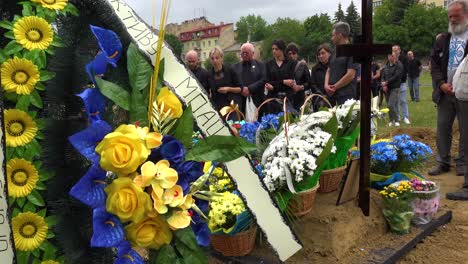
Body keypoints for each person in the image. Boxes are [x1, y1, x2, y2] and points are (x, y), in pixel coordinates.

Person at [430, 0, 467, 200]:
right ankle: (443, 161)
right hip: (445, 92)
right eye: (450, 16)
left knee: (466, 130)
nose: (452, 20)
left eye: (456, 16)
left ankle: (462, 164)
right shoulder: (443, 39)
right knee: (443, 127)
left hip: (466, 94)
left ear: (466, 15)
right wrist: (441, 83)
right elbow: (434, 63)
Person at [325, 22, 357, 106]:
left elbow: (351, 75)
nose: (332, 38)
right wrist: (326, 85)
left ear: (339, 35)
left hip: (346, 96)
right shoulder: (335, 51)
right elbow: (329, 69)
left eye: (333, 35)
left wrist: (334, 87)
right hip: (332, 95)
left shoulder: (352, 51)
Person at [208, 47, 243, 117]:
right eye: (212, 58)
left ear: (222, 58)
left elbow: (240, 89)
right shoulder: (209, 74)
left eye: (217, 58)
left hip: (232, 105)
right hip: (218, 107)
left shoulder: (230, 70)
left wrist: (228, 89)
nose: (215, 60)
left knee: (233, 126)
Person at [264, 39, 297, 113]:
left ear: (282, 50)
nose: (274, 51)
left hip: (287, 97)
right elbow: (268, 82)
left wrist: (274, 86)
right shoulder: (268, 64)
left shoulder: (291, 63)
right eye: (272, 49)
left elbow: (290, 83)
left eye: (276, 49)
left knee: (287, 120)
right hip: (272, 98)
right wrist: (283, 81)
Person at [232, 43, 266, 113]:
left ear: (252, 53)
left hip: (257, 100)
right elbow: (232, 81)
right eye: (242, 53)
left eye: (246, 53)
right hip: (240, 101)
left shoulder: (261, 66)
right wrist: (242, 89)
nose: (244, 55)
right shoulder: (234, 67)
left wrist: (250, 89)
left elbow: (263, 79)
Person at [286, 42, 311, 111]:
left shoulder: (302, 66)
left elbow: (309, 82)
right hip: (287, 98)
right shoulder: (284, 67)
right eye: (289, 54)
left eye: (294, 53)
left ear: (297, 54)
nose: (291, 56)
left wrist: (300, 87)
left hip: (299, 98)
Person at [381, 52, 403, 127]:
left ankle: (396, 120)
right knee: (388, 105)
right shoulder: (386, 66)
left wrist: (386, 82)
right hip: (386, 88)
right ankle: (391, 120)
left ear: (395, 57)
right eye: (389, 56)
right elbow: (383, 76)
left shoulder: (398, 66)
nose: (390, 57)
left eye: (392, 56)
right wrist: (383, 84)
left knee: (391, 104)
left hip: (395, 87)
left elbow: (396, 76)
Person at [392, 45, 410, 124]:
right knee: (395, 101)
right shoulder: (391, 59)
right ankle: (397, 117)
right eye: (393, 50)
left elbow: (406, 70)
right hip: (393, 84)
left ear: (399, 50)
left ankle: (405, 117)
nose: (395, 52)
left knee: (403, 100)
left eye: (396, 50)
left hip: (402, 82)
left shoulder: (404, 58)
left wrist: (399, 77)